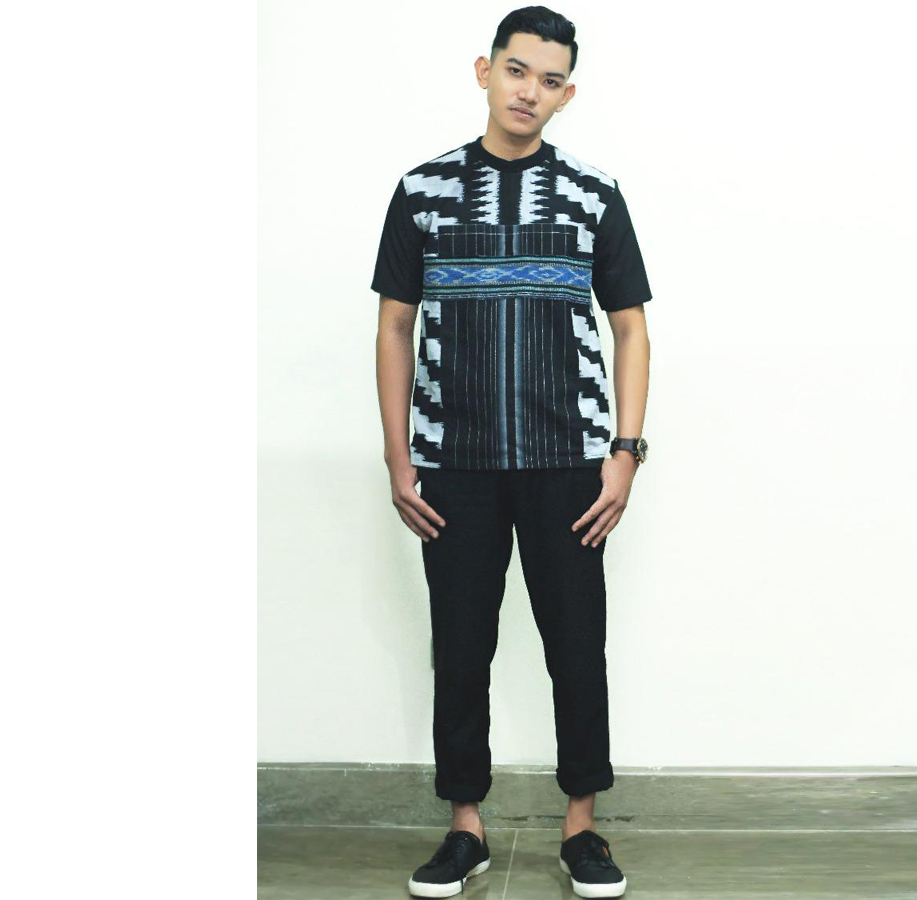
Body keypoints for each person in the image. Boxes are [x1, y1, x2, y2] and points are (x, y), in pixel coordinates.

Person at [371, 7, 652, 898]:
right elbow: (394, 326)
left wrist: (625, 452)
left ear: (568, 94)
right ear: (484, 70)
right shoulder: (421, 192)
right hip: (453, 462)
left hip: (569, 460)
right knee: (460, 646)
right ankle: (466, 827)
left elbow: (631, 327)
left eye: (550, 79)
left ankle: (582, 827)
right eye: (518, 70)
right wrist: (398, 457)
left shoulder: (595, 196)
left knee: (576, 646)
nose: (530, 90)